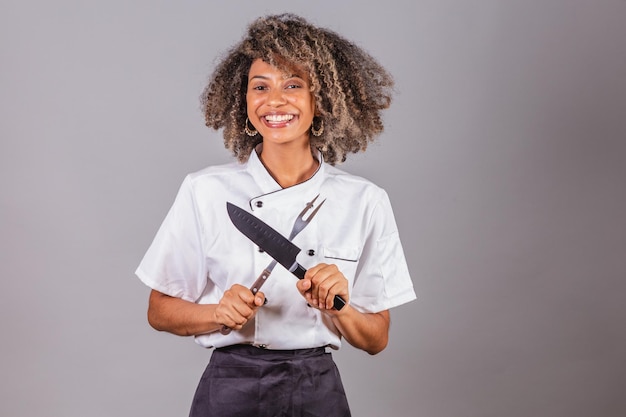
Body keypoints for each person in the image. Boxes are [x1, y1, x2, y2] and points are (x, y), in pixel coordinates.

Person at [136, 13, 416, 417]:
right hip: (229, 386)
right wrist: (216, 313)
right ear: (243, 99)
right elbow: (158, 310)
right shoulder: (206, 190)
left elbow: (376, 339)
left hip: (316, 387)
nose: (275, 101)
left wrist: (339, 307)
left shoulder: (364, 200)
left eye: (293, 85)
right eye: (260, 87)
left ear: (321, 99)